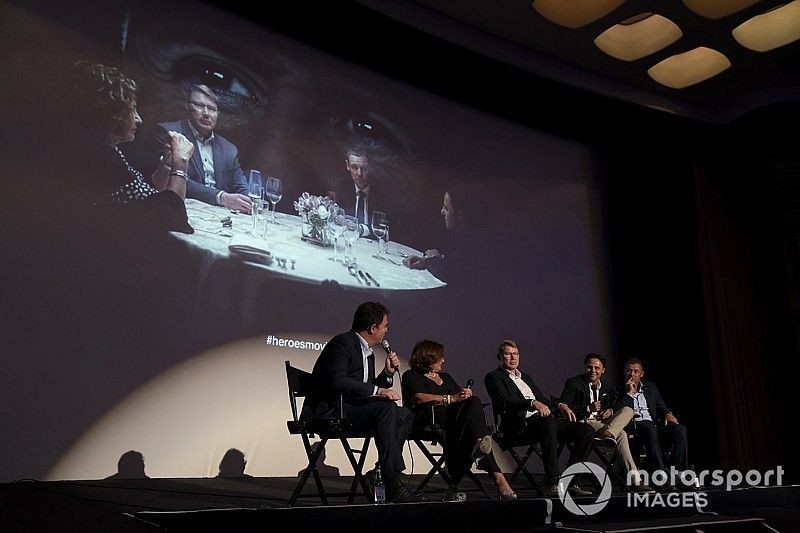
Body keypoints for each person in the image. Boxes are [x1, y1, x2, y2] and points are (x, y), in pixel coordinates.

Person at [302, 302, 425, 503]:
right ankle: (391, 479)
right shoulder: (343, 343)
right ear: (373, 328)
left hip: (351, 408)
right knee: (387, 408)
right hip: (332, 411)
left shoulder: (365, 351)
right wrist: (379, 390)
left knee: (405, 414)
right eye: (385, 325)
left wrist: (386, 374)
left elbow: (363, 389)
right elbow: (338, 380)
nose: (387, 330)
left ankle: (380, 473)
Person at [68, 61, 195, 233]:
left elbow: (144, 196)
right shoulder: (100, 157)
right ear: (112, 114)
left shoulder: (104, 149)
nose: (139, 119)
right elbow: (170, 218)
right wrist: (181, 164)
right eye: (132, 110)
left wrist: (167, 164)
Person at [402, 340, 517, 501]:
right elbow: (418, 398)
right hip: (430, 420)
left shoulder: (446, 377)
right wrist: (450, 398)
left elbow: (461, 399)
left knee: (473, 401)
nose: (443, 360)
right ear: (427, 357)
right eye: (439, 357)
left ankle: (478, 454)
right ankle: (497, 477)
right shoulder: (411, 376)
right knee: (468, 432)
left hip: (454, 423)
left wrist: (464, 395)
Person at [484, 340, 595, 497]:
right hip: (520, 425)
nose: (513, 358)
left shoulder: (526, 377)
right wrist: (531, 403)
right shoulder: (493, 377)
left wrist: (560, 405)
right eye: (508, 354)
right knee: (548, 422)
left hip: (543, 423)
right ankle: (553, 482)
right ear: (499, 357)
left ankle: (571, 481)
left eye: (515, 354)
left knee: (586, 431)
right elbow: (503, 401)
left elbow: (542, 400)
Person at [559, 354, 653, 492]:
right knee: (621, 434)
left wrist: (612, 407)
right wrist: (587, 408)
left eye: (597, 368)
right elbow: (563, 405)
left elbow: (617, 406)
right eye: (589, 367)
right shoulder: (574, 383)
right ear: (585, 368)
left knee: (628, 410)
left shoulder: (607, 387)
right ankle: (635, 479)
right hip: (584, 424)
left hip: (603, 423)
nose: (593, 371)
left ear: (603, 370)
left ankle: (609, 434)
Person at [154, 84, 252, 212]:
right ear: (188, 107)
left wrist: (247, 201)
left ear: (217, 114)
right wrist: (221, 197)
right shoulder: (170, 133)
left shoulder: (229, 149)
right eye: (199, 106)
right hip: (182, 210)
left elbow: (241, 185)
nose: (206, 113)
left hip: (220, 215)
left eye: (211, 109)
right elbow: (175, 179)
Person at [614, 358, 689, 477]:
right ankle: (659, 472)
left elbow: (661, 406)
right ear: (625, 372)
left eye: (635, 371)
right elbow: (617, 410)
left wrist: (668, 413)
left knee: (680, 429)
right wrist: (629, 394)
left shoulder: (650, 387)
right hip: (634, 425)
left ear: (641, 374)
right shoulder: (618, 389)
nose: (632, 374)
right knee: (650, 428)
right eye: (629, 371)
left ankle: (679, 470)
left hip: (653, 424)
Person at [402, 188, 471, 282]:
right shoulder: (461, 234)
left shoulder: (469, 239)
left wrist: (430, 260)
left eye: (446, 208)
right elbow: (446, 257)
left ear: (460, 215)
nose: (442, 211)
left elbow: (446, 272)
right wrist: (426, 260)